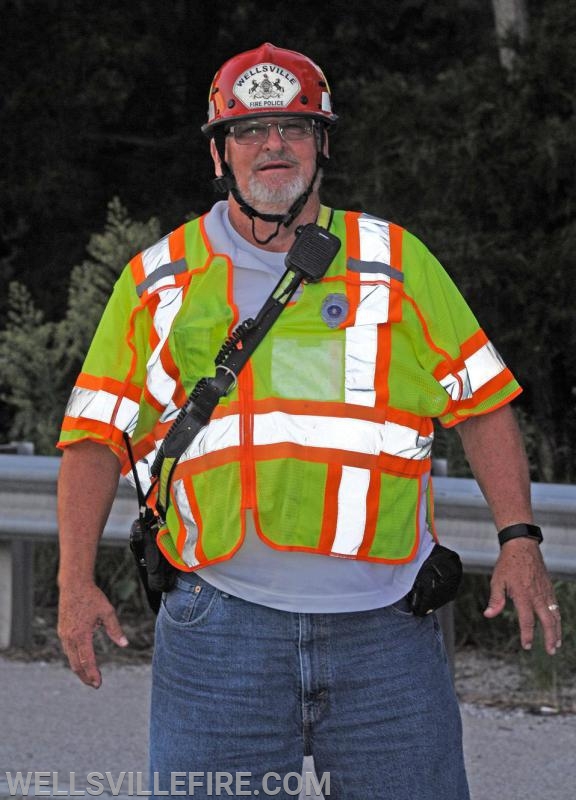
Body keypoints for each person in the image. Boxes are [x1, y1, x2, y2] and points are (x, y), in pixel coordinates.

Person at [57, 42, 561, 800]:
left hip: (387, 639)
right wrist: (71, 582)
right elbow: (95, 438)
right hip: (219, 633)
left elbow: (483, 403)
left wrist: (519, 539)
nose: (273, 145)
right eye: (250, 130)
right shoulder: (159, 280)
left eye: (293, 127)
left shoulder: (395, 263)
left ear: (321, 144)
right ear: (219, 156)